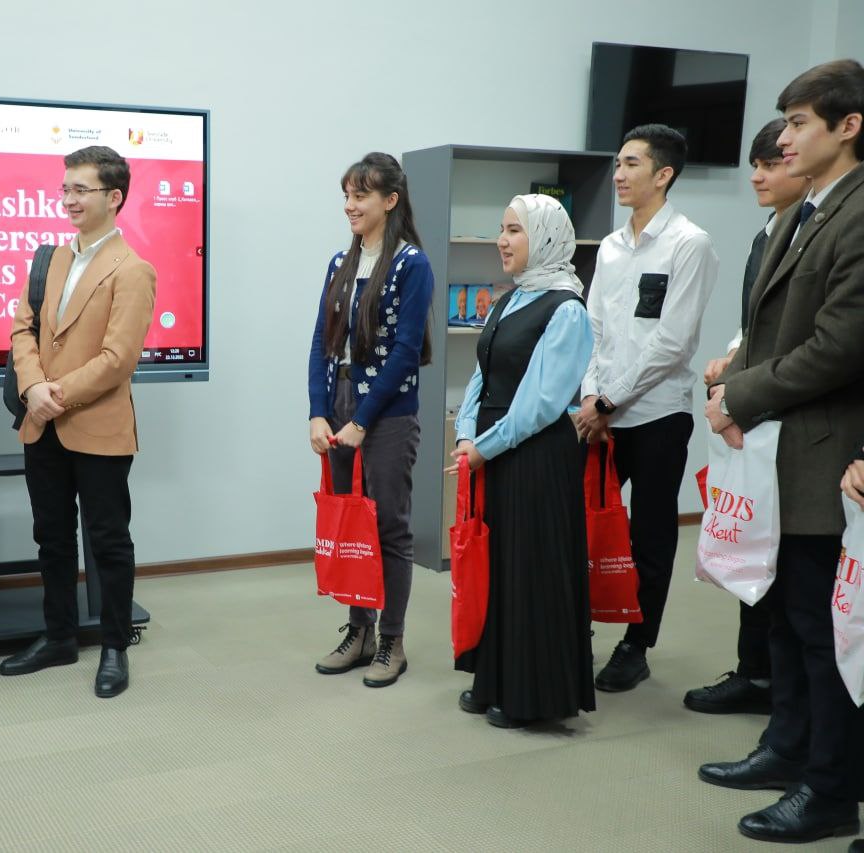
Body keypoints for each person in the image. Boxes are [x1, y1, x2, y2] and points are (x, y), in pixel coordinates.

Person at [697, 59, 864, 844]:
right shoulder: (812, 209)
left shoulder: (857, 213)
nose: (785, 140)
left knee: (822, 631)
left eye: (799, 123)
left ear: (848, 126)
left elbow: (838, 347)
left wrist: (739, 393)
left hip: (825, 450)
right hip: (782, 448)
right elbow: (772, 331)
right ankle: (787, 748)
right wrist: (739, 387)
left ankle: (829, 788)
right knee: (789, 620)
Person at [0, 146, 156, 699]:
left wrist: (53, 395)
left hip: (97, 426)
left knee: (108, 540)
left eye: (80, 190)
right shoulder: (50, 260)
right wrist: (31, 388)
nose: (68, 199)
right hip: (41, 422)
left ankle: (114, 645)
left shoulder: (133, 270)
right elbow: (22, 330)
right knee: (52, 536)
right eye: (65, 188)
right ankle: (59, 636)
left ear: (114, 197)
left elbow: (118, 360)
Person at [575, 124, 720, 693]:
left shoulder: (689, 243)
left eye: (631, 164)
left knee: (651, 536)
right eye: (617, 163)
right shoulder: (611, 246)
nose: (618, 174)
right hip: (600, 417)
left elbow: (673, 343)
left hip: (657, 414)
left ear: (663, 174)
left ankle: (636, 647)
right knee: (582, 524)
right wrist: (591, 397)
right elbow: (593, 328)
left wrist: (609, 399)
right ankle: (575, 628)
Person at [447, 194, 595, 727]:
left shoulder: (567, 309)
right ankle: (495, 679)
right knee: (499, 568)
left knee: (530, 572)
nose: (502, 241)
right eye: (501, 228)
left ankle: (533, 696)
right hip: (494, 451)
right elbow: (481, 374)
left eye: (515, 230)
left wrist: (482, 447)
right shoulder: (511, 299)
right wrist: (466, 432)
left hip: (535, 457)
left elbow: (540, 404)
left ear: (547, 238)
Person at [685, 119, 809, 716]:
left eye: (772, 162)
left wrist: (740, 383)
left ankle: (778, 692)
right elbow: (755, 324)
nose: (758, 175)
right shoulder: (768, 234)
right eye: (756, 164)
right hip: (754, 405)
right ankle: (755, 673)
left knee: (789, 568)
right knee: (752, 546)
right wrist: (732, 357)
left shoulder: (818, 231)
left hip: (794, 414)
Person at [308, 152, 435, 688]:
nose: (350, 205)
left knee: (388, 528)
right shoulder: (341, 262)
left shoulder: (412, 264)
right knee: (351, 524)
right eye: (347, 196)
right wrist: (318, 412)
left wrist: (361, 420)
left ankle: (392, 640)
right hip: (339, 406)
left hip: (386, 414)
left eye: (360, 196)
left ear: (390, 200)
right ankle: (359, 631)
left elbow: (406, 352)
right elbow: (322, 341)